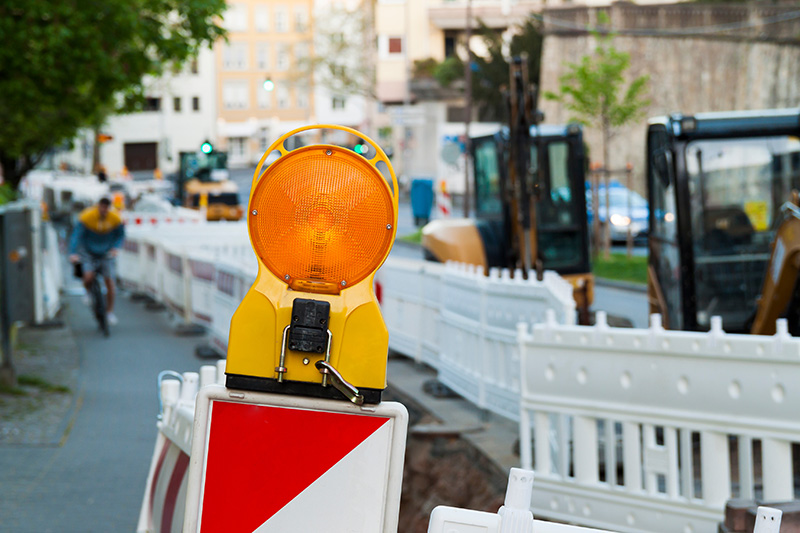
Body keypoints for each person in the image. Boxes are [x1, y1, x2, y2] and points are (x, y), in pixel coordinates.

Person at [68, 197, 125, 325]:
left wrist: (116, 248)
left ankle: (109, 312)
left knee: (110, 282)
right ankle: (88, 292)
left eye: (106, 208)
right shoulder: (87, 217)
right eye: (102, 207)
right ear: (98, 206)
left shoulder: (115, 218)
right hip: (88, 251)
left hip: (106, 252)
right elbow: (76, 235)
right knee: (88, 276)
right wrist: (73, 252)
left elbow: (120, 235)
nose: (103, 210)